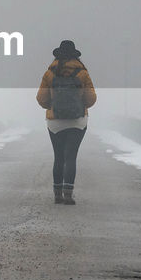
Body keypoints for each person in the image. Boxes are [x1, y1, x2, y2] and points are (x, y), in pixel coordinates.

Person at [36, 39, 97, 205]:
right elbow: (91, 98)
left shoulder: (50, 72)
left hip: (55, 122)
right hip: (77, 121)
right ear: (75, 55)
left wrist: (53, 107)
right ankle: (68, 194)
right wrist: (80, 104)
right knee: (71, 157)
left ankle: (57, 194)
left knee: (58, 157)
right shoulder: (82, 73)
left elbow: (41, 98)